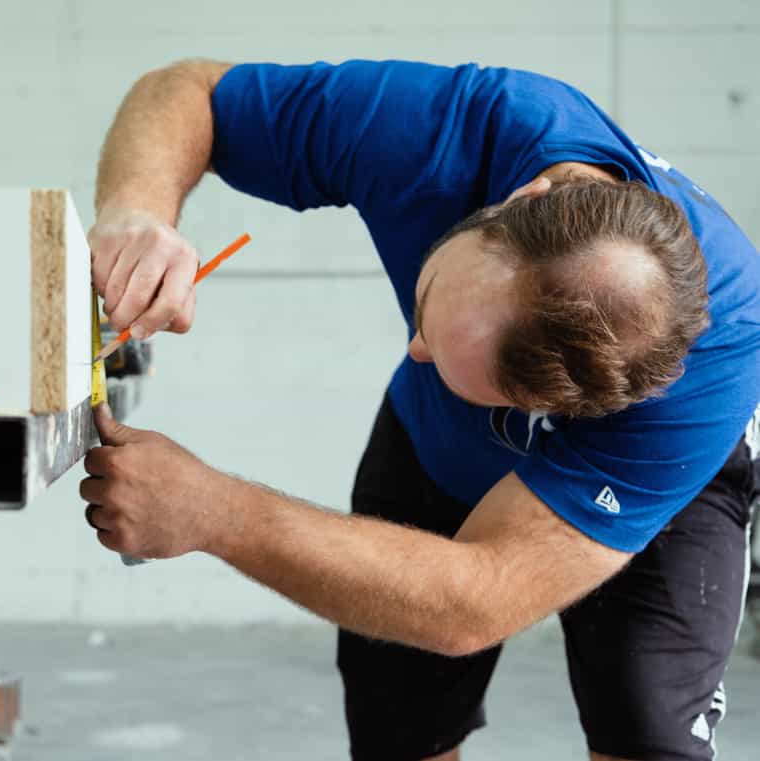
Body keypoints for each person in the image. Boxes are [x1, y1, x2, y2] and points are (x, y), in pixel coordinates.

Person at [79, 59, 760, 761]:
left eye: (456, 361)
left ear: (558, 406)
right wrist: (139, 210)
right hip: (435, 445)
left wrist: (214, 511)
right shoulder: (443, 129)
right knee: (401, 730)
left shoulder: (714, 366)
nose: (415, 346)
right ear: (519, 199)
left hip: (669, 486)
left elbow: (478, 598)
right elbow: (189, 92)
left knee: (645, 731)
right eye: (431, 306)